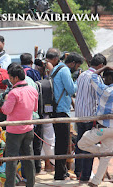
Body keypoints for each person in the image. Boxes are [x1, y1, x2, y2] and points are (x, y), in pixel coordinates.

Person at [1, 64, 38, 187]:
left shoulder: (13, 93)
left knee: (11, 159)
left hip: (14, 130)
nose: (10, 81)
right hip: (28, 128)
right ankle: (31, 184)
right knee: (28, 158)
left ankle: (9, 185)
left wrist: (5, 100)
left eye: (10, 78)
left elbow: (6, 110)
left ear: (15, 78)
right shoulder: (33, 90)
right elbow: (35, 108)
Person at [78, 65, 113, 187]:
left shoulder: (106, 91)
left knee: (81, 143)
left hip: (103, 128)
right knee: (105, 156)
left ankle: (103, 152)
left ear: (109, 77)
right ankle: (96, 181)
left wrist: (105, 67)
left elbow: (93, 77)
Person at [74, 54, 107, 182]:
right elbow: (102, 95)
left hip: (79, 116)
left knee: (79, 145)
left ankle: (78, 172)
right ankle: (86, 175)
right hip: (90, 116)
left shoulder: (82, 75)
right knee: (89, 146)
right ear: (100, 66)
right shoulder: (96, 78)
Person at [51, 52, 83, 180]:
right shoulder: (64, 71)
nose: (76, 68)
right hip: (62, 110)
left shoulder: (56, 68)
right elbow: (71, 90)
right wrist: (77, 80)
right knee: (62, 144)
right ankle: (59, 174)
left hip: (55, 109)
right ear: (73, 63)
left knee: (60, 142)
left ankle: (62, 171)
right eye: (77, 65)